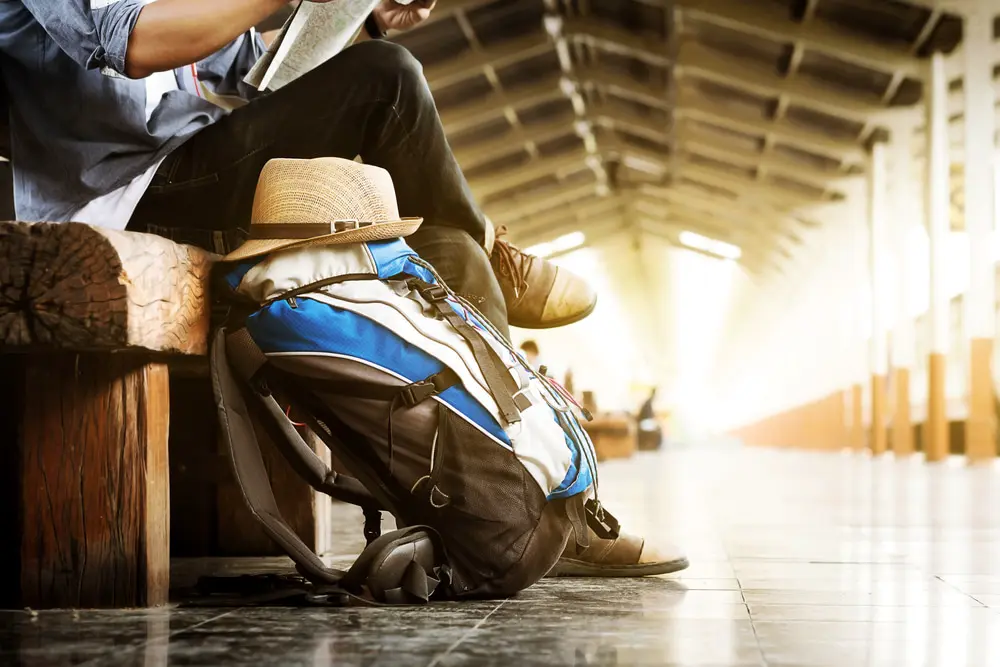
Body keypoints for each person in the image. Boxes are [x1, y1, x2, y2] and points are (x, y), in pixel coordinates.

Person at [0, 0, 685, 577]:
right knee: (389, 82)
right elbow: (137, 41)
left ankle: (527, 496)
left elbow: (252, 74)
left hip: (198, 161)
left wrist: (361, 12)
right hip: (125, 192)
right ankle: (495, 271)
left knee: (441, 245)